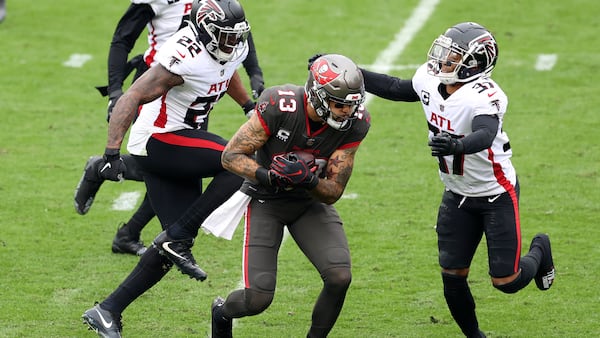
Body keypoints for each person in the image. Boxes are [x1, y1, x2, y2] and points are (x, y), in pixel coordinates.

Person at [356, 22, 555, 337]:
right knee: (452, 273)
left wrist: (457, 145)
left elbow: (485, 134)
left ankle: (540, 249)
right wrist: (350, 71)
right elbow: (397, 88)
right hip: (456, 192)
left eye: (452, 56)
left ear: (474, 63)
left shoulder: (485, 96)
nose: (443, 61)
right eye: (445, 53)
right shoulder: (429, 78)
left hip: (495, 192)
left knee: (506, 280)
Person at [80, 1, 254, 336]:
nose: (232, 44)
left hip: (183, 141)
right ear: (205, 30)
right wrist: (111, 152)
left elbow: (226, 71)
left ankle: (107, 310)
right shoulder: (182, 54)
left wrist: (247, 104)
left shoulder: (229, 47)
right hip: (158, 139)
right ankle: (177, 237)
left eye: (236, 37)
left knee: (167, 250)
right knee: (238, 162)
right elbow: (132, 97)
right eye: (225, 37)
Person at [202, 53, 370, 338]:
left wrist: (307, 179)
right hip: (267, 200)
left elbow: (333, 192)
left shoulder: (356, 123)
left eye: (352, 104)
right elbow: (230, 156)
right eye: (340, 104)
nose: (347, 112)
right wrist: (269, 176)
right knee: (258, 298)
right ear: (317, 96)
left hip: (308, 203)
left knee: (339, 277)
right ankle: (222, 311)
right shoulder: (281, 104)